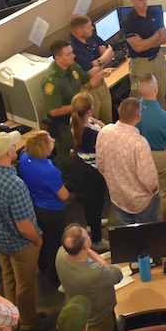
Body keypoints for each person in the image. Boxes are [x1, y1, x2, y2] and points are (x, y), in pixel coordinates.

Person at [0, 132, 51, 331]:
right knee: (25, 284)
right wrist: (37, 240)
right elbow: (24, 226)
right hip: (20, 244)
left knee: (9, 279)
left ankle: (14, 317)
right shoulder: (15, 185)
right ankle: (28, 324)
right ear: (8, 152)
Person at [55, 223, 124, 331]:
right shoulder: (96, 272)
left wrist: (87, 251)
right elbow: (117, 274)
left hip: (80, 311)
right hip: (99, 319)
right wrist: (99, 259)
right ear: (85, 246)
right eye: (87, 235)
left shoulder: (60, 254)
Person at [95, 97, 160, 225]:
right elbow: (148, 180)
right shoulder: (139, 143)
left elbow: (100, 164)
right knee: (147, 234)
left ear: (119, 112)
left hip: (118, 196)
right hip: (141, 202)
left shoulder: (104, 132)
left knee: (126, 234)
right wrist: (155, 190)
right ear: (138, 117)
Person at [18, 130, 70, 274]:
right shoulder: (48, 171)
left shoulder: (24, 157)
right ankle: (56, 275)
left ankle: (44, 266)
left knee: (44, 239)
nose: (53, 140)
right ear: (44, 148)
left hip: (35, 206)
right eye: (50, 140)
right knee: (55, 243)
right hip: (52, 211)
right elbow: (64, 195)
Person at [42, 39, 96, 166]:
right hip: (63, 127)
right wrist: (77, 106)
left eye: (72, 52)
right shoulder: (51, 81)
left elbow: (87, 83)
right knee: (68, 160)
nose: (73, 56)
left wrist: (101, 75)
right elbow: (54, 111)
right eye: (69, 54)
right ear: (58, 58)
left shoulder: (73, 67)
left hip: (77, 119)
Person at [134, 72, 166, 220]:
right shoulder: (164, 117)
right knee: (165, 192)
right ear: (156, 89)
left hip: (140, 155)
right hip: (161, 156)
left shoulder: (134, 112)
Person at [68, 91, 109, 252]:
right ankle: (98, 239)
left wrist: (94, 120)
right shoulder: (94, 134)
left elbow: (92, 121)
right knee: (96, 202)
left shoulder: (74, 120)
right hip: (93, 171)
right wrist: (100, 124)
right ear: (90, 110)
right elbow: (104, 133)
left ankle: (93, 224)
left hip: (81, 165)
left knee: (88, 201)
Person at [121, 0, 166, 107]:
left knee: (160, 94)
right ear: (132, 1)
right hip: (140, 64)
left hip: (158, 59)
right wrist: (154, 37)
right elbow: (138, 48)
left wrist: (145, 42)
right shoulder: (128, 21)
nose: (145, 2)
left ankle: (160, 122)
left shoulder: (155, 12)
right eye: (140, 0)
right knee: (140, 100)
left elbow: (164, 37)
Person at [68, 14, 115, 124]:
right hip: (89, 91)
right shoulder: (74, 48)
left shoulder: (90, 36)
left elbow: (111, 50)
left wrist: (97, 62)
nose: (92, 28)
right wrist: (103, 59)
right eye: (89, 27)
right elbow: (92, 72)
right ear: (79, 32)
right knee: (94, 124)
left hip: (102, 84)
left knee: (108, 122)